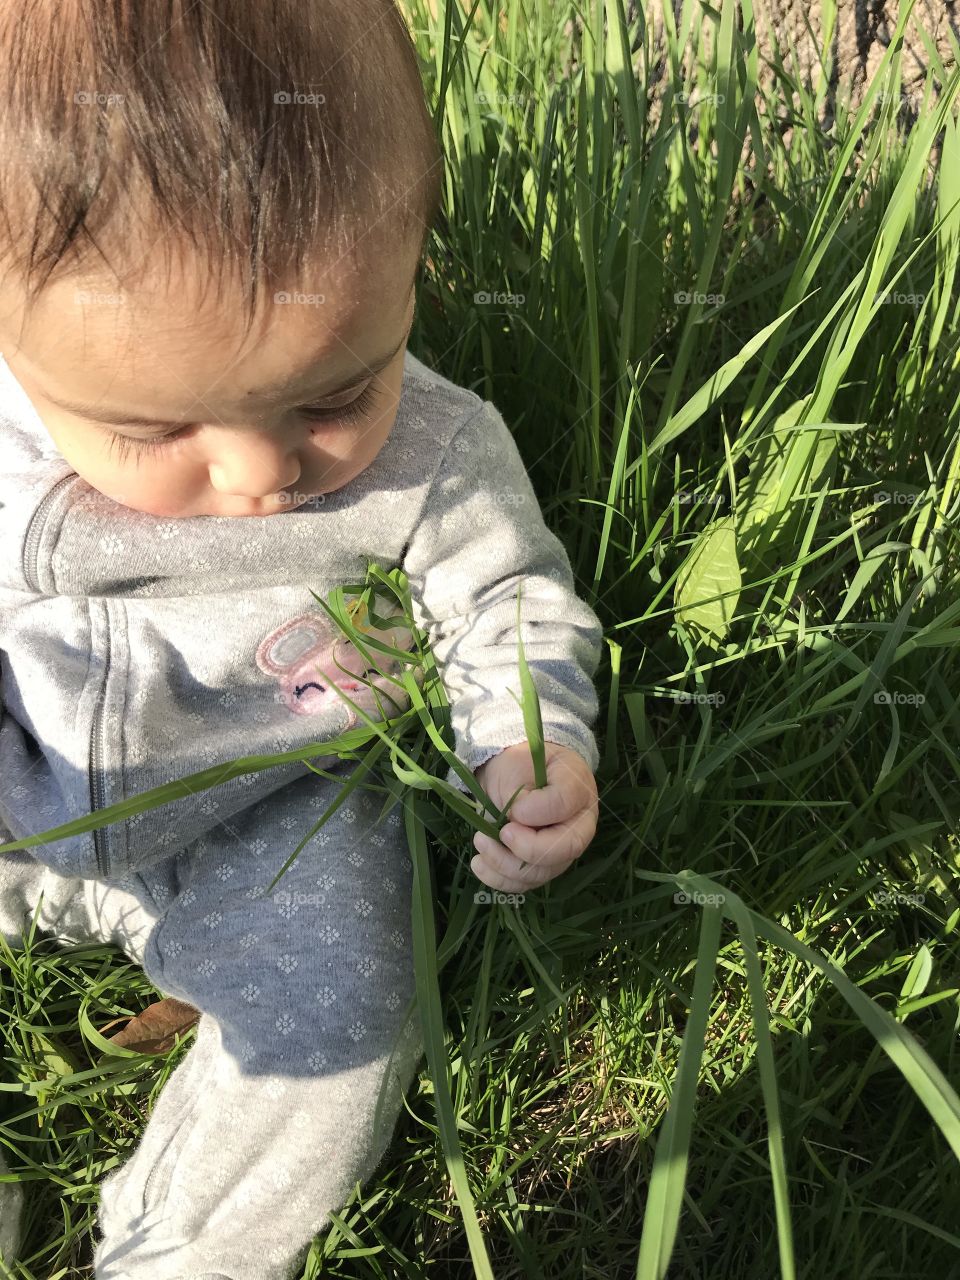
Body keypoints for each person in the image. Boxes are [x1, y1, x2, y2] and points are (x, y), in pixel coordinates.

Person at [0, 2, 603, 1276]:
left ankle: (181, 1250)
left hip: (275, 815)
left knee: (352, 1007)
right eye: (155, 430)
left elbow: (506, 596)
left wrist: (527, 743)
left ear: (412, 269)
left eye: (336, 393)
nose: (263, 472)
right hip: (25, 784)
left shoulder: (431, 456)